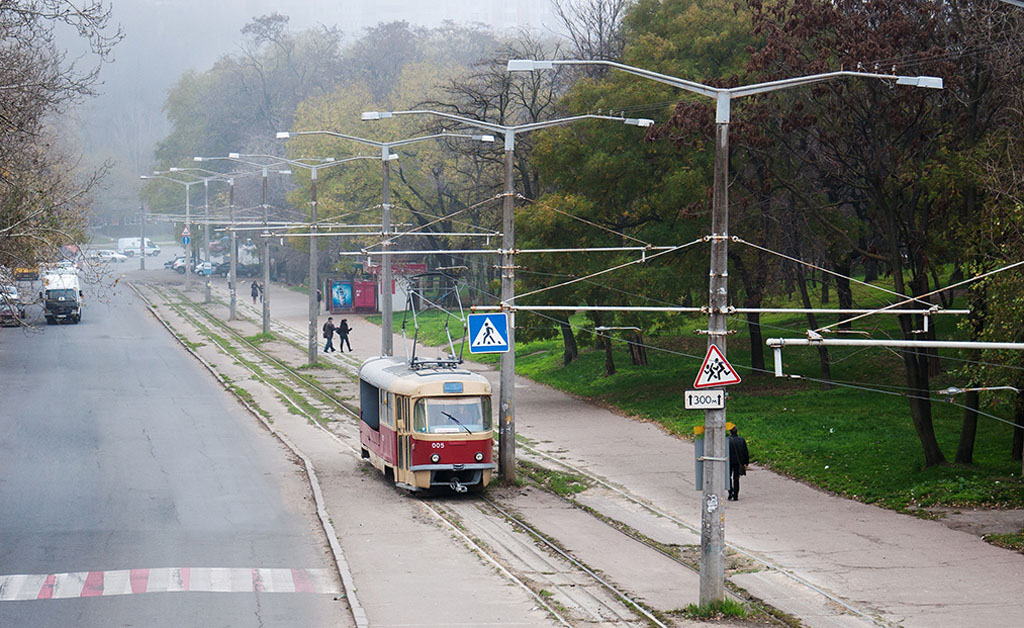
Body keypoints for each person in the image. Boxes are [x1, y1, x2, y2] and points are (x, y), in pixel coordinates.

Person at [727, 424, 749, 501]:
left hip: (728, 462)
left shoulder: (727, 441)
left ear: (730, 432)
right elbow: (745, 452)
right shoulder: (741, 440)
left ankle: (730, 491)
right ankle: (736, 494)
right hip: (738, 462)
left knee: (728, 477)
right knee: (736, 478)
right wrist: (746, 462)